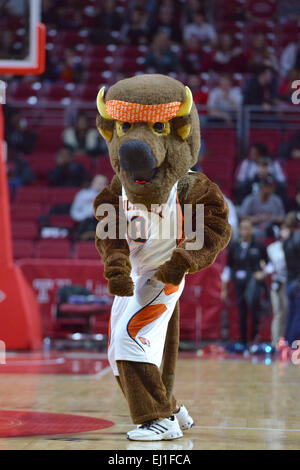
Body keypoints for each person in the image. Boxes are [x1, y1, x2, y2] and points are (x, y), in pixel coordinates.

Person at [221, 218, 269, 348]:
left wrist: (263, 274)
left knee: (254, 310)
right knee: (241, 311)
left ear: (252, 230)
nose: (245, 231)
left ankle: (254, 340)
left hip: (253, 283)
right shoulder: (235, 246)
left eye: (248, 228)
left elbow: (269, 264)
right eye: (242, 228)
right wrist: (224, 288)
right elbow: (228, 267)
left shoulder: (259, 246)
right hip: (238, 283)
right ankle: (242, 342)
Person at [266, 224, 289, 348]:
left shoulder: (293, 244)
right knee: (278, 312)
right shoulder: (272, 248)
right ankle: (275, 342)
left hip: (290, 282)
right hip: (278, 283)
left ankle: (289, 341)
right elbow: (271, 266)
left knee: (289, 312)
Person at [282, 212, 300, 345]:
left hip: (289, 282)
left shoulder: (286, 242)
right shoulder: (297, 238)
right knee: (298, 315)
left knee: (291, 314)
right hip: (297, 282)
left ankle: (287, 343)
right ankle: (293, 345)